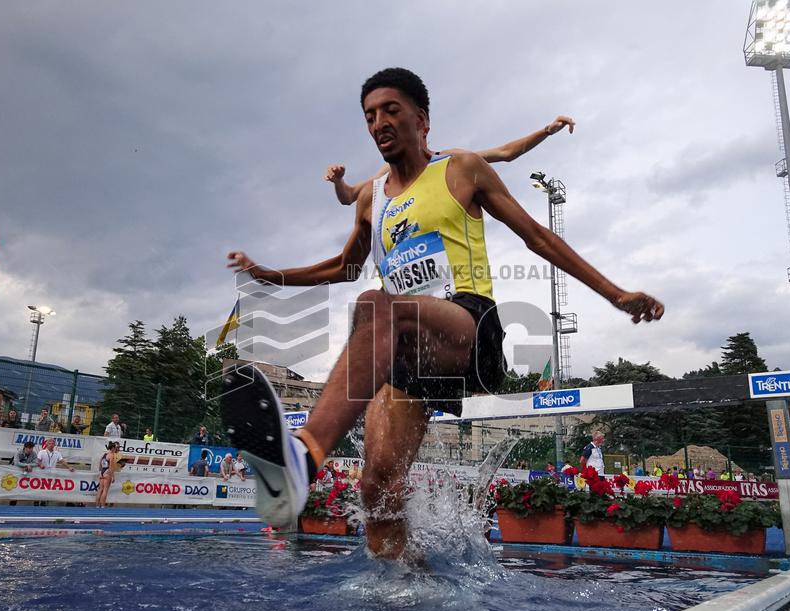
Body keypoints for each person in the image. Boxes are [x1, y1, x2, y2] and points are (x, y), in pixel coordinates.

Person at [223, 67, 662, 560]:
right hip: (405, 349)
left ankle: (303, 456)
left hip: (468, 331)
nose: (379, 123)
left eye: (391, 110)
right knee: (377, 486)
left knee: (376, 305)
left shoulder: (461, 170)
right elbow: (344, 267)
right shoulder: (371, 198)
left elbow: (537, 236)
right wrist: (268, 274)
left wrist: (615, 294)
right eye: (370, 116)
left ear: (422, 119)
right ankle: (407, 586)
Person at [325, 116, 576, 206]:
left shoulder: (449, 160)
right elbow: (349, 197)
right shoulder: (388, 173)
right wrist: (339, 181)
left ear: (424, 129)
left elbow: (506, 153)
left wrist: (546, 131)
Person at [95, 442, 120, 508]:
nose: (116, 449)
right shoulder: (112, 455)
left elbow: (100, 463)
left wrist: (100, 472)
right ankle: (103, 505)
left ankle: (97, 505)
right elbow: (111, 467)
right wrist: (113, 476)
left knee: (100, 489)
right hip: (107, 473)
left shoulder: (104, 454)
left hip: (102, 472)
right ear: (113, 448)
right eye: (115, 448)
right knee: (105, 490)